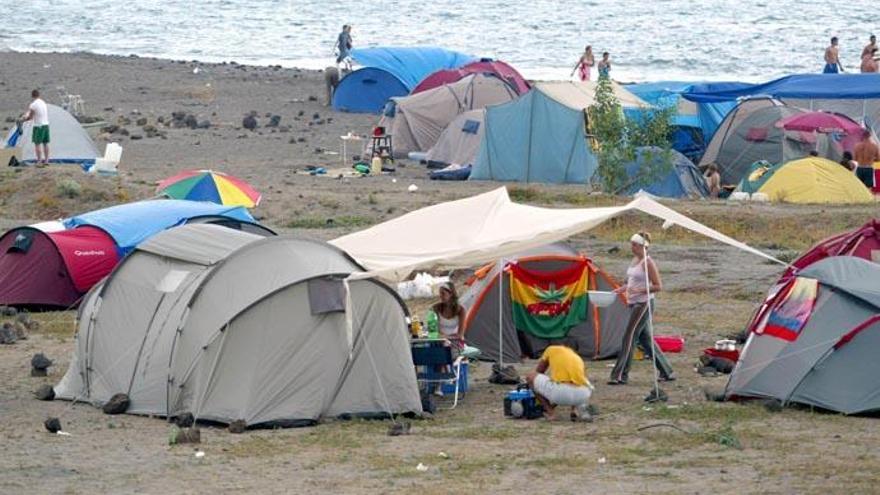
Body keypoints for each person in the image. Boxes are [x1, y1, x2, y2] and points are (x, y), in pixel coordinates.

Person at [608, 232, 675, 385]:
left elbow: (658, 286)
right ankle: (667, 371)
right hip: (632, 302)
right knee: (645, 339)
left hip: (643, 304)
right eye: (631, 244)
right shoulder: (635, 260)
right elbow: (632, 281)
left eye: (634, 244)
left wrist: (641, 291)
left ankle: (619, 375)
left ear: (642, 246)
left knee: (629, 336)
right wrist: (622, 289)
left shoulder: (648, 262)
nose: (631, 247)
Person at [526, 344, 593, 421]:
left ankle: (551, 413)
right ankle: (575, 411)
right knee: (575, 381)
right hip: (584, 395)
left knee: (531, 377)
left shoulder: (551, 349)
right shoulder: (576, 356)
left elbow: (539, 371)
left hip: (560, 394)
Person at [20, 89, 50, 166]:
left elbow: (30, 117)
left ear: (32, 96)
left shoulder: (33, 105)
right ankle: (46, 161)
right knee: (45, 143)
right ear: (39, 95)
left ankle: (39, 161)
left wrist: (23, 119)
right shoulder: (43, 103)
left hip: (38, 126)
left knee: (37, 143)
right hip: (46, 125)